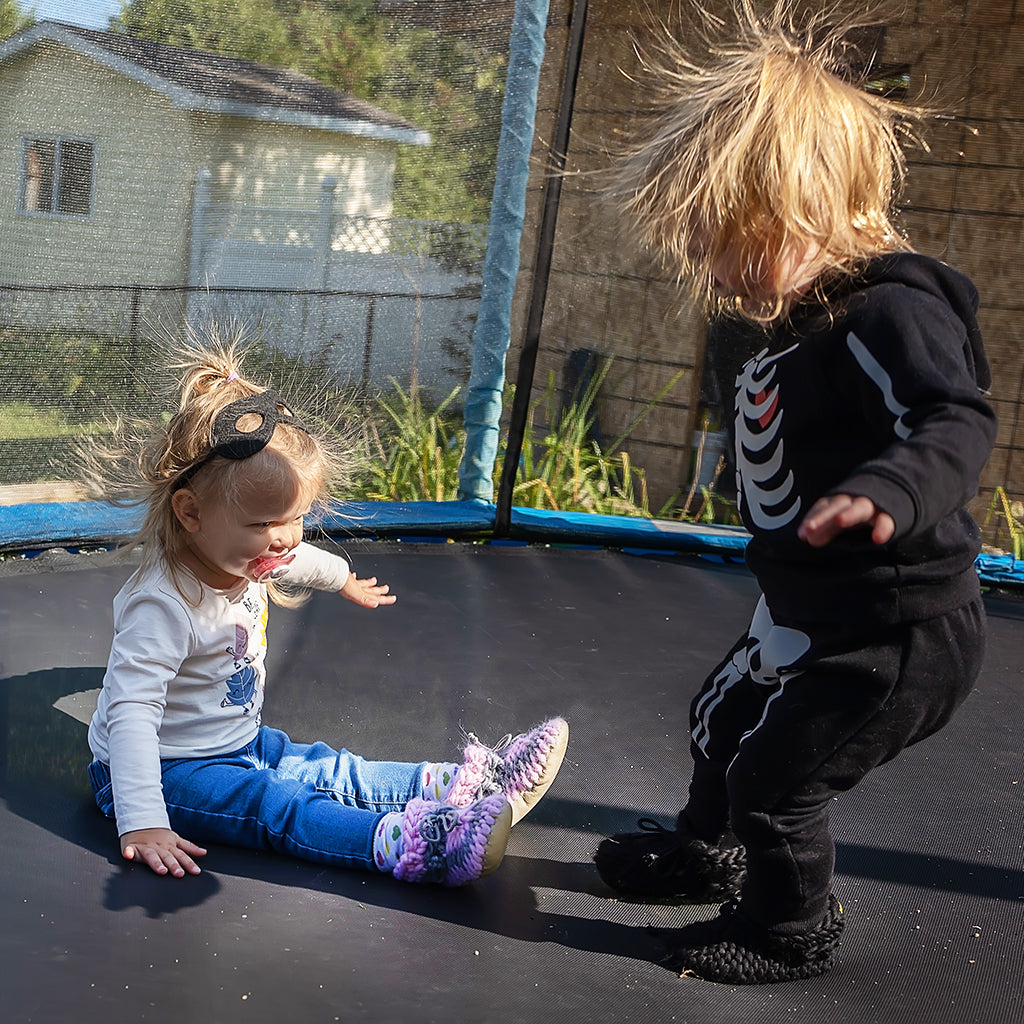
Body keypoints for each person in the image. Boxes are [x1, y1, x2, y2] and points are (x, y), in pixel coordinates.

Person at [594, 2, 998, 984]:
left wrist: (888, 491)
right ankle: (708, 849)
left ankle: (788, 928)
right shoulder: (794, 317)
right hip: (805, 607)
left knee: (777, 779)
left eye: (726, 242)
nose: (715, 274)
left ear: (803, 207)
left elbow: (955, 421)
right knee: (717, 723)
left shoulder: (887, 312)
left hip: (893, 631)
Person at [87, 342, 568, 886]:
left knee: (330, 767)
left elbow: (295, 559)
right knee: (278, 805)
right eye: (267, 523)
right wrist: (143, 821)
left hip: (235, 742)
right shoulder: (163, 606)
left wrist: (342, 579)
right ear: (191, 512)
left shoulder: (244, 553)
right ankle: (409, 845)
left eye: (297, 518)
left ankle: (466, 786)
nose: (286, 538)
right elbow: (130, 713)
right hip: (165, 773)